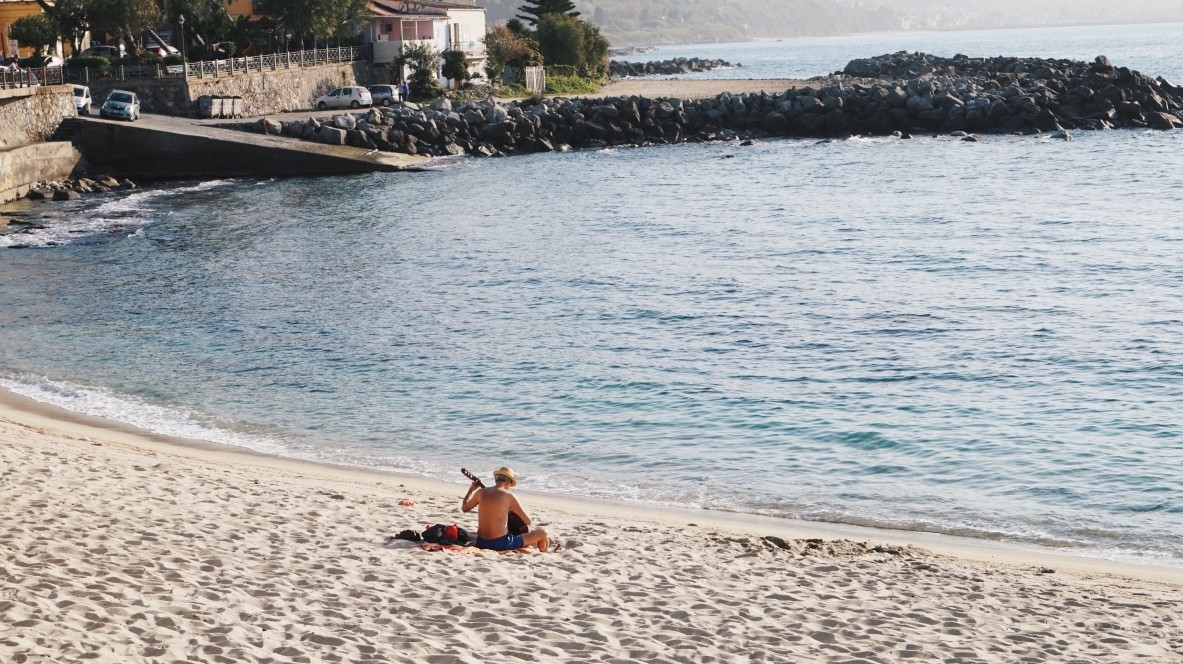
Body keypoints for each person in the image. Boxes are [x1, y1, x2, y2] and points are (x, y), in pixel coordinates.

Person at [461, 466, 550, 552]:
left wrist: (471, 490)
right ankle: (545, 552)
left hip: (480, 542)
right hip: (500, 544)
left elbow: (465, 508)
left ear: (496, 480)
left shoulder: (480, 492)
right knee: (543, 532)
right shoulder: (509, 496)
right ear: (508, 482)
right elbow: (528, 521)